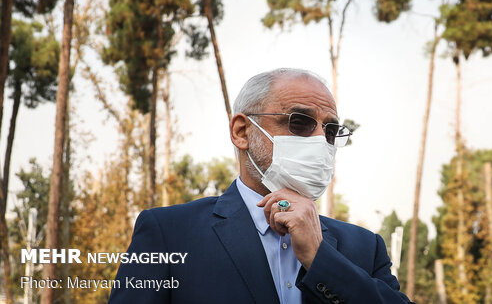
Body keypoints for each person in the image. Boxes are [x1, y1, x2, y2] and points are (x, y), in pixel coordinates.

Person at [108, 68, 413, 304]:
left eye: (331, 130)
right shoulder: (169, 234)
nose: (320, 140)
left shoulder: (364, 247)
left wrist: (321, 258)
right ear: (242, 132)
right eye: (299, 122)